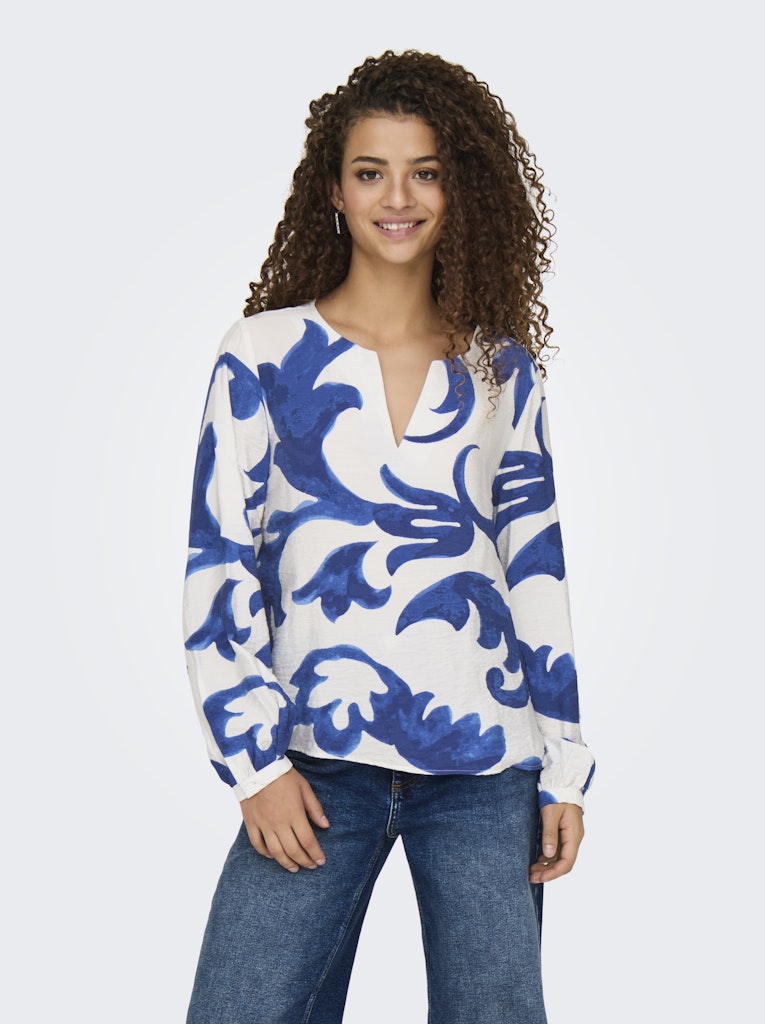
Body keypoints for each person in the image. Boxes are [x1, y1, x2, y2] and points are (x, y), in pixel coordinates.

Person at [182, 49, 594, 1024]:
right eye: (371, 171)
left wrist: (565, 766)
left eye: (425, 172)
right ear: (334, 188)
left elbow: (535, 572)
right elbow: (219, 562)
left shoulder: (502, 368)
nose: (398, 197)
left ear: (460, 190)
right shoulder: (262, 354)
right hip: (313, 761)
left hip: (488, 768)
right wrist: (255, 765)